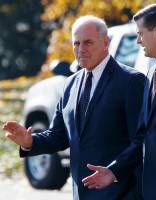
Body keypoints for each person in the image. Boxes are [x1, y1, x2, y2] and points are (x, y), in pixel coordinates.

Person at [3, 16, 145, 200]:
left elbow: (142, 140)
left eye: (87, 43)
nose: (81, 50)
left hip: (121, 193)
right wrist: (30, 142)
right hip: (81, 194)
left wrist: (113, 171)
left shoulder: (131, 81)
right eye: (76, 44)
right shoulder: (70, 84)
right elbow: (59, 136)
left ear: (105, 42)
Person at [82, 4, 156, 200]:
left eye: (140, 34)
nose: (137, 40)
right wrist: (114, 171)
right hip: (153, 189)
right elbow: (144, 136)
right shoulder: (152, 72)